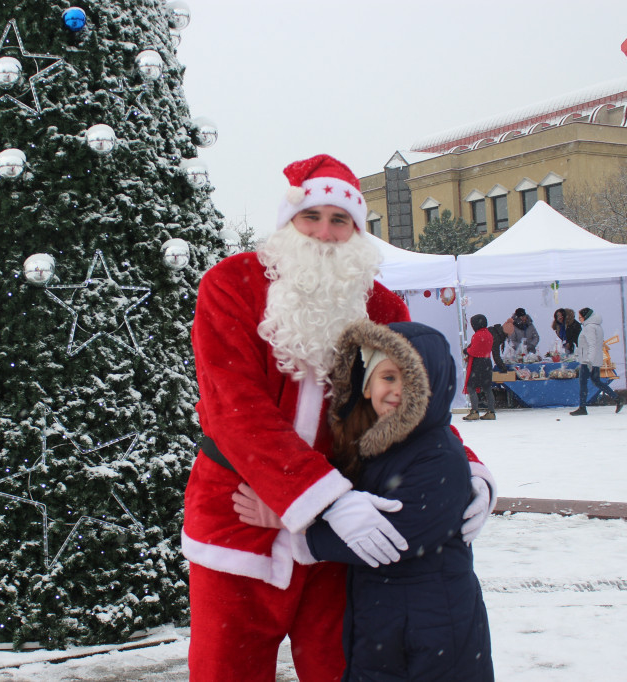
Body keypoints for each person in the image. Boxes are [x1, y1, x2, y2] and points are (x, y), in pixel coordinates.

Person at [183, 153, 496, 681]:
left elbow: (413, 402)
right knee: (226, 669)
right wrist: (322, 496)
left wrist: (467, 468)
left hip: (345, 525)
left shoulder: (382, 305)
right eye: (313, 217)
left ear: (357, 229)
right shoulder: (231, 285)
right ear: (289, 224)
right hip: (242, 513)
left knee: (340, 668)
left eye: (340, 220)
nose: (326, 234)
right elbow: (234, 406)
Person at [236, 321, 494, 681]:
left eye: (412, 379)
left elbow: (394, 539)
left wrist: (297, 528)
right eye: (388, 377)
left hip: (434, 627)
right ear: (367, 383)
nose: (398, 390)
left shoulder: (439, 454)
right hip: (384, 621)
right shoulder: (370, 443)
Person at [570, 307, 623, 416]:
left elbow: (591, 344)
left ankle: (582, 406)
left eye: (580, 317)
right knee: (596, 381)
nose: (579, 319)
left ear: (585, 317)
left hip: (588, 360)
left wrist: (589, 360)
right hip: (595, 358)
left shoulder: (589, 328)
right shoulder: (597, 326)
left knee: (583, 383)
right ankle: (617, 398)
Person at [463, 314, 496, 421]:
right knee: (487, 388)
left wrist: (466, 351)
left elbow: (474, 351)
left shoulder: (477, 335)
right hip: (487, 362)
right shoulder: (489, 334)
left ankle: (474, 411)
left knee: (471, 387)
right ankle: (491, 411)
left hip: (478, 363)